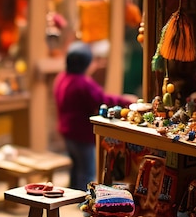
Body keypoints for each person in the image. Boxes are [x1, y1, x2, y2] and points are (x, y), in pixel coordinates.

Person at [53, 41, 136, 192]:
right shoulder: (82, 82)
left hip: (67, 131)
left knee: (76, 167)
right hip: (81, 133)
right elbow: (101, 99)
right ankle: (84, 204)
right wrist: (126, 100)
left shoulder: (62, 77)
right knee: (87, 171)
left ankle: (72, 196)